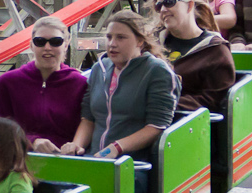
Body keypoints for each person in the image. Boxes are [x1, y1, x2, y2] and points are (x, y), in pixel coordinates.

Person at [59, 11, 179, 159]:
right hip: (95, 157)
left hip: (134, 163)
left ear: (140, 41)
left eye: (121, 38)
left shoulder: (157, 71)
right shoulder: (99, 69)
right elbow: (88, 118)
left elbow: (157, 126)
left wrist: (117, 147)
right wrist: (76, 145)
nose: (112, 44)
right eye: (109, 37)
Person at [0, 15, 88, 153]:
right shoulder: (8, 82)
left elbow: (88, 123)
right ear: (31, 45)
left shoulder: (80, 84)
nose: (47, 47)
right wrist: (32, 141)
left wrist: (75, 146)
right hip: (20, 160)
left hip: (64, 160)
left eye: (56, 42)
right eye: (40, 42)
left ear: (66, 45)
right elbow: (0, 128)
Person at [152, 0, 235, 112]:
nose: (163, 10)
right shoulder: (152, 43)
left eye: (169, 2)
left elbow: (212, 101)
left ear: (190, 5)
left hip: (186, 122)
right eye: (159, 6)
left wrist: (162, 105)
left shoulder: (216, 50)